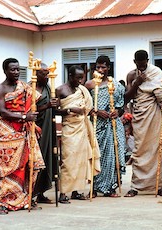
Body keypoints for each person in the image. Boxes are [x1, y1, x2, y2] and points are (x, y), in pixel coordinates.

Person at [0, 58, 45, 214]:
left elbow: (33, 108)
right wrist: (24, 118)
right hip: (7, 132)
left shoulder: (25, 87)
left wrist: (48, 106)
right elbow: (2, 112)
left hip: (25, 131)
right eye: (12, 70)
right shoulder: (1, 89)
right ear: (5, 71)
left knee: (29, 165)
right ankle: (4, 202)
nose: (16, 72)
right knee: (8, 168)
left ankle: (25, 199)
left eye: (18, 70)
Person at [124, 50, 162, 197]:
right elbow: (127, 97)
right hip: (140, 117)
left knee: (157, 148)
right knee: (139, 150)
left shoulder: (156, 72)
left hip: (156, 114)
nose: (142, 65)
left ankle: (159, 186)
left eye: (144, 63)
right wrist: (137, 83)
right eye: (139, 63)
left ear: (148, 60)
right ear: (134, 62)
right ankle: (135, 186)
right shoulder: (131, 75)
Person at [56, 65, 101, 203]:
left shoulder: (82, 90)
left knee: (81, 161)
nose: (81, 81)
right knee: (68, 162)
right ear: (70, 76)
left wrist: (91, 111)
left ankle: (76, 191)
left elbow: (87, 108)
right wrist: (70, 110)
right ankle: (63, 193)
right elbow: (55, 111)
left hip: (82, 128)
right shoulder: (60, 90)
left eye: (82, 78)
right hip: (69, 129)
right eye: (78, 78)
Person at [85, 55, 126, 197]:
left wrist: (117, 112)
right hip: (96, 125)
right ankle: (94, 188)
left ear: (109, 68)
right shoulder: (89, 85)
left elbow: (121, 106)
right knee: (96, 155)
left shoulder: (115, 85)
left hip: (112, 125)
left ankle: (110, 188)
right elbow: (84, 106)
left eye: (103, 67)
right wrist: (95, 112)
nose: (100, 70)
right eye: (98, 67)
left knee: (113, 155)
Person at [32, 63, 58, 204]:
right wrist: (46, 106)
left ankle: (41, 193)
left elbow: (53, 107)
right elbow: (30, 110)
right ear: (35, 74)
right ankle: (31, 194)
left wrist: (55, 104)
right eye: (44, 73)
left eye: (48, 73)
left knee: (47, 159)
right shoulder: (30, 88)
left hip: (48, 129)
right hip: (35, 130)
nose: (47, 76)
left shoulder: (49, 88)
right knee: (35, 161)